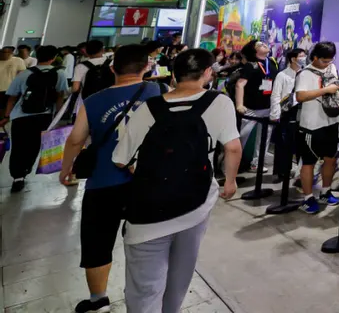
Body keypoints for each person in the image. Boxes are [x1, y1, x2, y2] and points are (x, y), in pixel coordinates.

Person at [112, 49, 240, 313]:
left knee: (144, 288)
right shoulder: (219, 102)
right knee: (179, 277)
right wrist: (230, 181)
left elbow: (121, 160)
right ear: (208, 73)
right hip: (196, 205)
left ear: (173, 74)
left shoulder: (149, 108)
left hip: (147, 212)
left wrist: (154, 172)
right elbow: (233, 147)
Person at [60, 44, 162, 313]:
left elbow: (76, 139)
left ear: (113, 68)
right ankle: (147, 296)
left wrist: (66, 168)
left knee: (97, 242)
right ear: (147, 67)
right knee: (148, 241)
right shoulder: (159, 92)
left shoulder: (94, 100)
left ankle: (98, 300)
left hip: (102, 182)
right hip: (147, 182)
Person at [2, 45, 69, 191]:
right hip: (45, 116)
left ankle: (17, 177)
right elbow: (60, 97)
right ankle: (26, 170)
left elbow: (12, 98)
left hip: (21, 116)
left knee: (19, 146)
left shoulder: (25, 74)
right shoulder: (59, 73)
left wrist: (6, 116)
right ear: (53, 58)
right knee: (34, 146)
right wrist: (57, 117)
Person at [293, 41, 339, 213]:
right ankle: (308, 198)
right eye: (324, 61)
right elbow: (300, 96)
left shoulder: (332, 68)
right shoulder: (305, 74)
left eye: (330, 60)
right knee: (309, 162)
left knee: (330, 159)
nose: (327, 64)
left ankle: (325, 191)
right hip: (312, 125)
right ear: (315, 57)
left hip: (332, 121)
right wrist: (325, 90)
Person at [233, 40, 276, 172]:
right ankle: (231, 163)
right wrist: (239, 104)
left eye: (263, 43)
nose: (264, 45)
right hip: (250, 108)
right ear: (254, 51)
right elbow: (240, 84)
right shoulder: (250, 65)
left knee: (264, 138)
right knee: (242, 137)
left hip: (268, 107)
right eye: (259, 45)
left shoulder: (271, 63)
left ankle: (257, 163)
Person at [269, 47, 305, 181]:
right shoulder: (282, 75)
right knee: (283, 143)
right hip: (286, 112)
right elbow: (276, 95)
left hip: (302, 112)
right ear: (293, 59)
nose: (303, 58)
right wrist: (275, 114)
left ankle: (300, 173)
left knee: (299, 143)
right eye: (301, 56)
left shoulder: (305, 74)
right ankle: (282, 172)